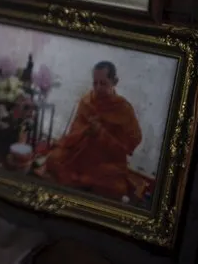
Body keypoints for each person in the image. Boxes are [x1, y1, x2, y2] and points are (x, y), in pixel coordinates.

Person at [45, 61, 142, 201]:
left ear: (114, 81)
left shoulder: (123, 109)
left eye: (103, 83)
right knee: (53, 159)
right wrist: (85, 131)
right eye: (95, 83)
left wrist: (101, 133)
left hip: (105, 162)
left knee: (117, 189)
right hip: (79, 154)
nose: (97, 88)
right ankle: (82, 182)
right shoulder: (86, 101)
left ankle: (80, 182)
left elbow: (124, 148)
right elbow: (73, 134)